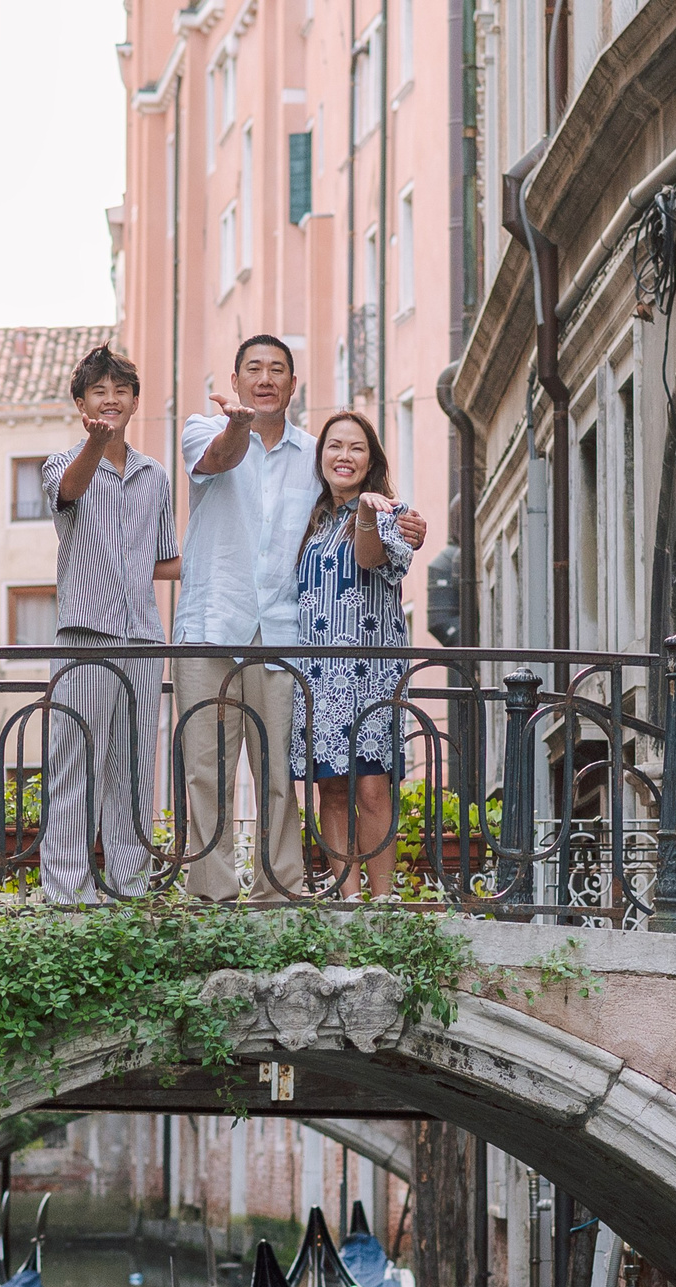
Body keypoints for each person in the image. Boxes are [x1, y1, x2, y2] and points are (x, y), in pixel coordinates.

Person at [176, 336, 425, 900]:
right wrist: (236, 425)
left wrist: (406, 522)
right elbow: (217, 459)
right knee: (206, 768)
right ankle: (213, 898)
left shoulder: (315, 457)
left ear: (293, 385)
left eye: (277, 370)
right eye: (254, 369)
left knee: (281, 777)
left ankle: (279, 894)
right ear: (235, 380)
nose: (265, 379)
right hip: (213, 622)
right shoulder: (203, 430)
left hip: (288, 636)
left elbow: (357, 499)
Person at [38, 345, 178, 905]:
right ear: (81, 403)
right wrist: (97, 443)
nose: (111, 399)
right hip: (85, 635)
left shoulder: (155, 476)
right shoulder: (62, 464)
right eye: (100, 390)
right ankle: (67, 895)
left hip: (143, 639)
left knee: (135, 767)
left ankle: (129, 890)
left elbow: (163, 558)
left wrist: (230, 559)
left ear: (135, 400)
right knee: (75, 762)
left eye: (121, 390)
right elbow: (69, 493)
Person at [291, 410, 412, 900]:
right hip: (317, 675)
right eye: (334, 446)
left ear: (371, 459)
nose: (345, 455)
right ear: (320, 458)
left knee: (372, 787)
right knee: (333, 789)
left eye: (356, 447)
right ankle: (348, 898)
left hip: (372, 673)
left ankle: (382, 901)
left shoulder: (395, 514)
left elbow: (368, 558)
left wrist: (366, 511)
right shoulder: (310, 521)